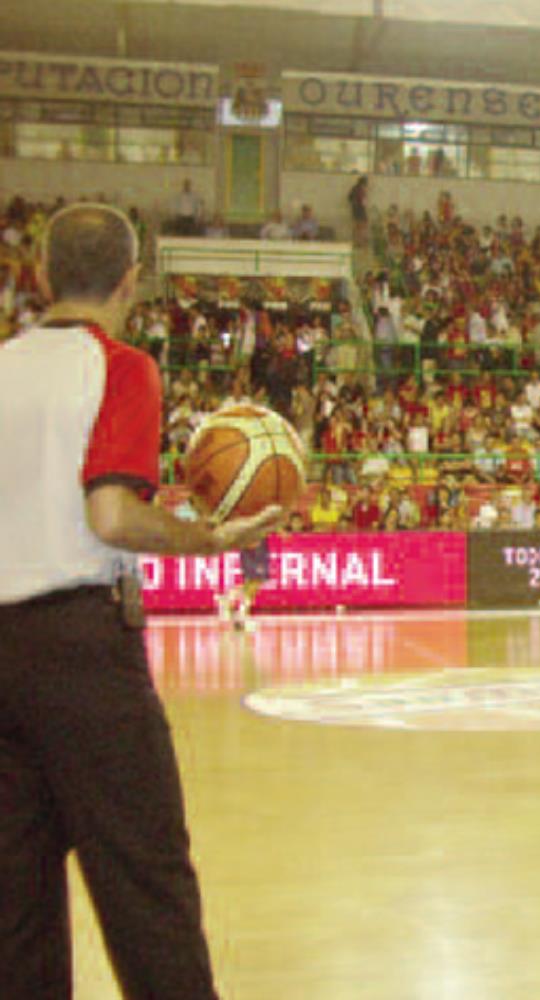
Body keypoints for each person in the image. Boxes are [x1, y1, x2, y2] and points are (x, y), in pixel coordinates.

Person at [0, 203, 282, 998]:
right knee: (146, 886)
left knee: (16, 910)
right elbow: (114, 515)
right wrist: (214, 540)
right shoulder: (122, 367)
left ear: (42, 276)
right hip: (83, 651)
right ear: (133, 280)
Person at [218, 538, 271, 632]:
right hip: (253, 545)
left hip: (259, 545)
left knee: (254, 583)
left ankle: (231, 600)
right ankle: (241, 612)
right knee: (255, 581)